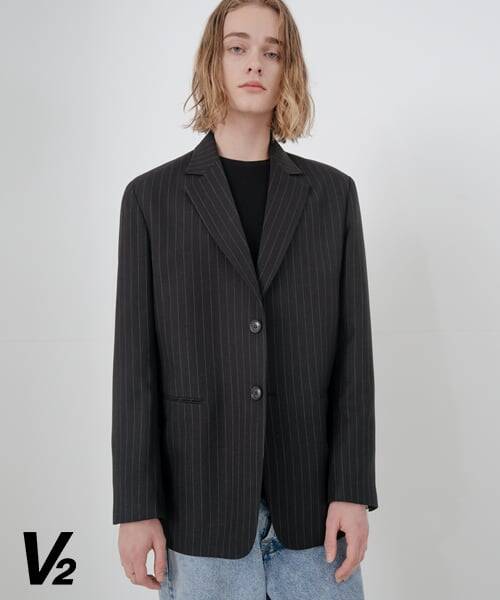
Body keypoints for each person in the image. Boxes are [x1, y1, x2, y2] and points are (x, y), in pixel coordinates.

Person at [111, 1, 378, 598]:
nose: (254, 62)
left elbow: (353, 355)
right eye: (237, 47)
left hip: (314, 511)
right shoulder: (151, 200)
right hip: (197, 507)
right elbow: (135, 367)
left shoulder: (332, 196)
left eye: (271, 51)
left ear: (288, 69)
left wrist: (352, 489)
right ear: (214, 60)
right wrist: (136, 506)